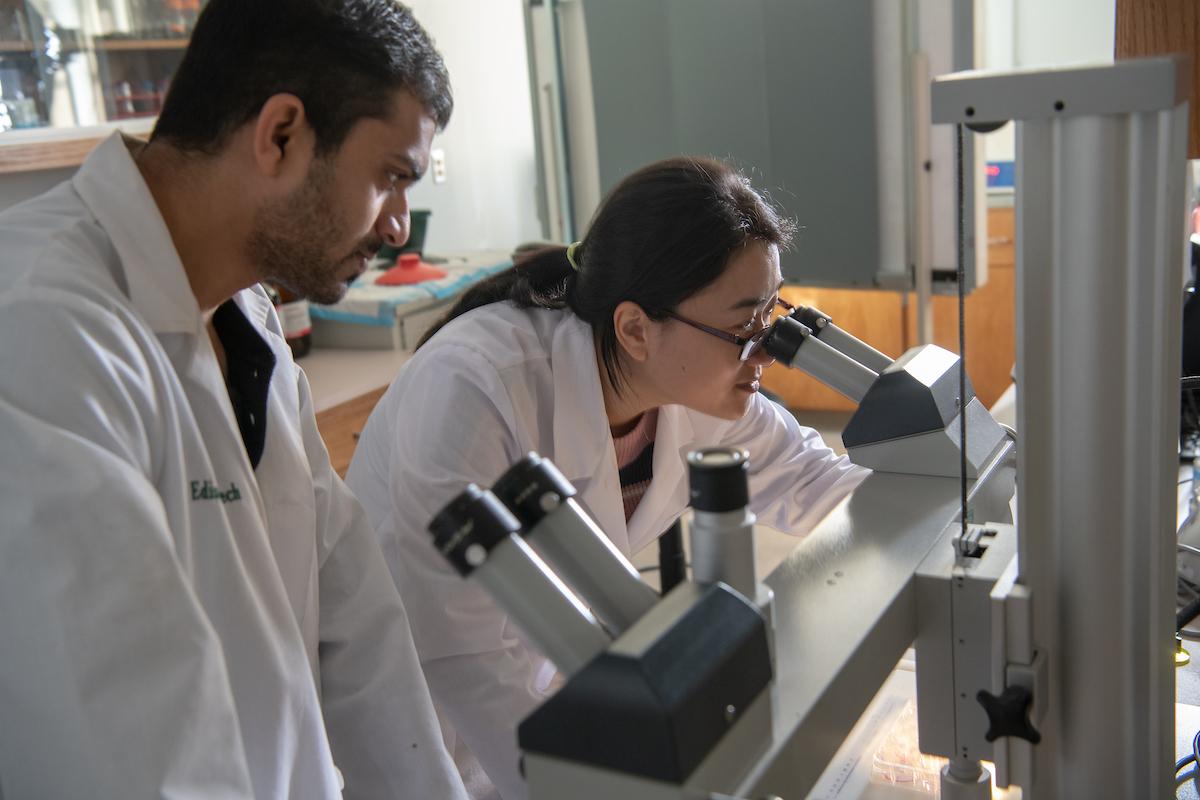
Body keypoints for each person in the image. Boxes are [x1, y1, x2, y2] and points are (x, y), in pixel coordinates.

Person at [0, 1, 469, 797]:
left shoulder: (243, 313)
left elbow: (355, 635)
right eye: (391, 177)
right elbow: (132, 753)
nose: (399, 227)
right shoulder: (42, 328)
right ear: (281, 134)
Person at [345, 156, 871, 799]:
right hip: (421, 723)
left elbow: (813, 479)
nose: (765, 349)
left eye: (771, 313)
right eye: (743, 326)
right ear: (635, 329)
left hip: (540, 684)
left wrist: (953, 510)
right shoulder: (475, 387)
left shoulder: (691, 387)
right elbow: (464, 657)